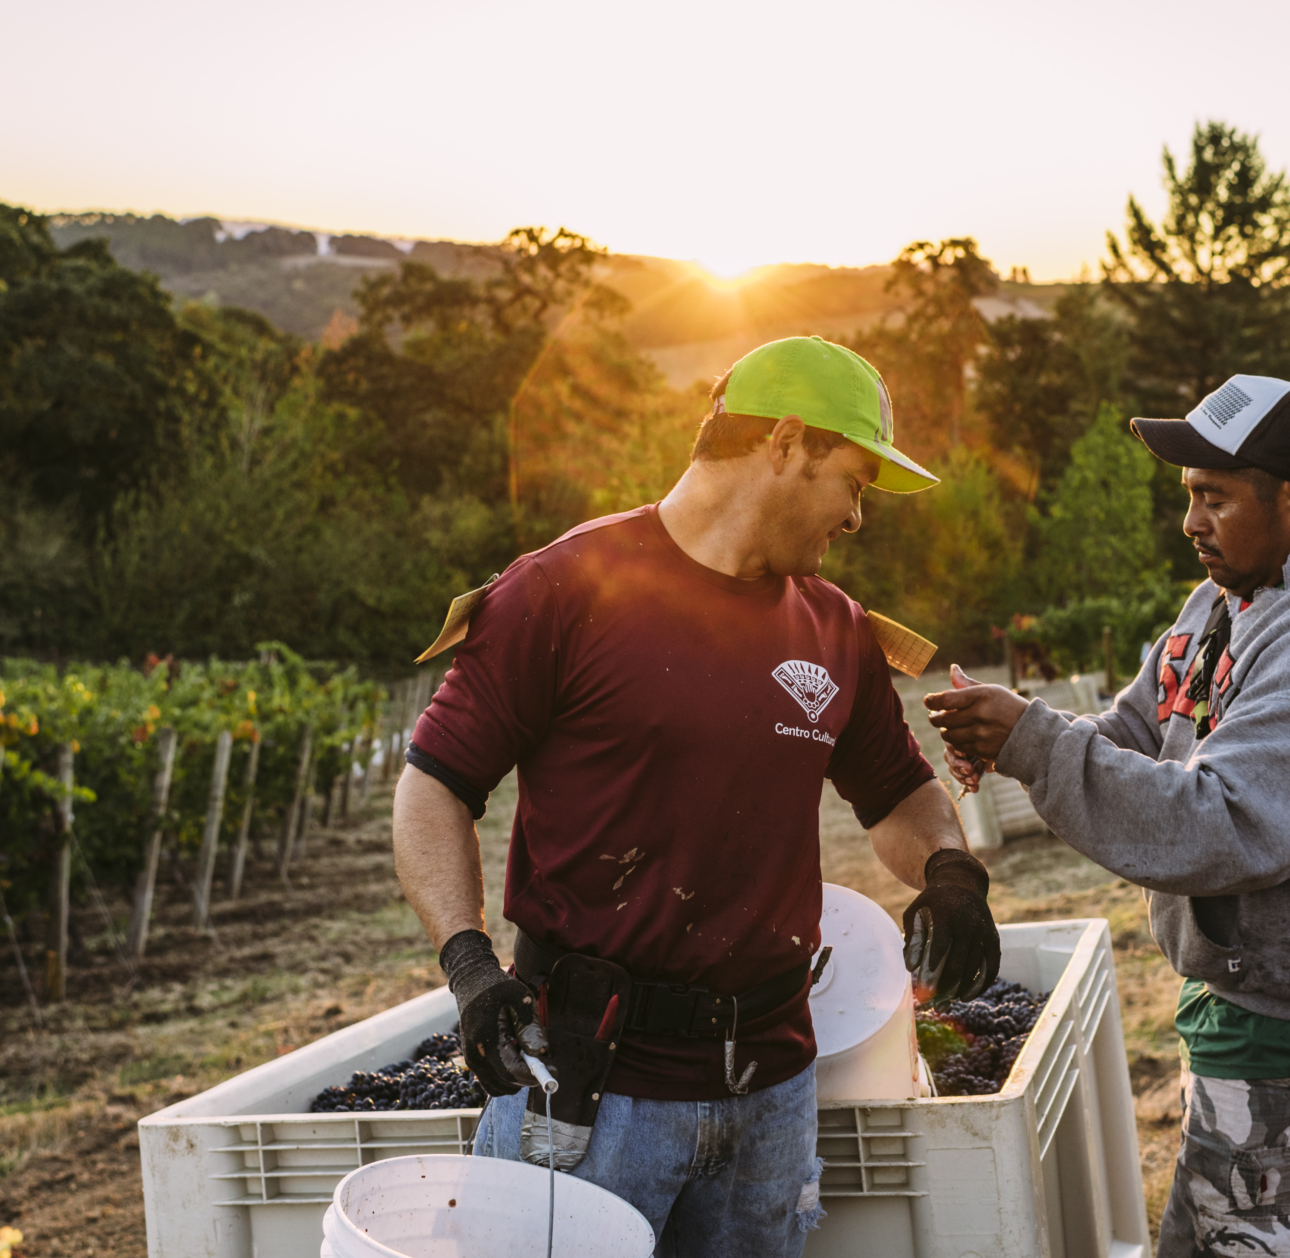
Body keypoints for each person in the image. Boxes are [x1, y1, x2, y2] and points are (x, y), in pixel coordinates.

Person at [393, 335, 1001, 1256]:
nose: (856, 518)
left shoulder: (833, 628)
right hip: (593, 1092)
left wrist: (950, 871)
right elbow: (433, 787)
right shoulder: (563, 590)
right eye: (856, 481)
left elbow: (898, 792)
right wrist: (471, 965)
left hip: (772, 1094)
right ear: (788, 442)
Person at [928, 374, 1290, 1257]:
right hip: (1246, 996)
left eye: (1214, 497)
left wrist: (1039, 747)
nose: (1191, 522)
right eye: (1188, 497)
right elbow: (1136, 729)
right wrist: (1015, 735)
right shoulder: (1225, 601)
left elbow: (1221, 822)